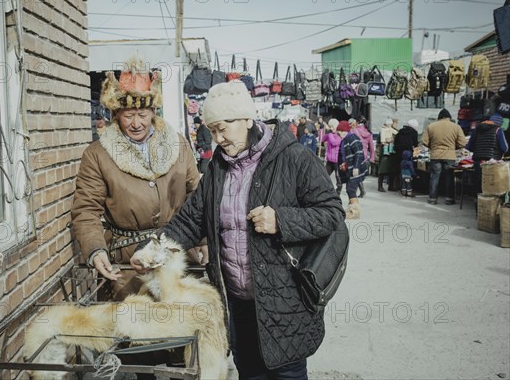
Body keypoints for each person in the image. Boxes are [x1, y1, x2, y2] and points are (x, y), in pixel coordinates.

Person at [132, 80, 345, 380]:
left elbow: (332, 213)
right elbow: (191, 219)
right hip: (237, 303)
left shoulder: (293, 158)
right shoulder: (218, 167)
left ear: (247, 119)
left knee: (287, 374)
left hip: (284, 301)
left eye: (224, 127)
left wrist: (280, 220)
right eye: (212, 130)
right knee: (250, 373)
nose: (218, 138)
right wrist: (153, 249)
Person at [71, 54, 202, 301]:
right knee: (136, 332)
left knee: (182, 328)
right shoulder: (98, 155)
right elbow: (86, 209)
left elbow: (198, 197)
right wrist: (95, 249)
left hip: (177, 255)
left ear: (154, 111)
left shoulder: (178, 145)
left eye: (143, 114)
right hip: (129, 266)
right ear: (116, 114)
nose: (136, 123)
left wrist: (204, 240)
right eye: (128, 115)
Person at [422, 108, 467, 205]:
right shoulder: (456, 127)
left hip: (435, 155)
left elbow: (424, 142)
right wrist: (454, 147)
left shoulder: (431, 126)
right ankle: (449, 199)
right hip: (450, 156)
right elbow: (463, 142)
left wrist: (432, 147)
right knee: (449, 177)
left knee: (434, 177)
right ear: (449, 118)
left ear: (439, 117)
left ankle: (432, 199)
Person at [466, 113, 509, 194]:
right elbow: (505, 148)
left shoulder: (477, 129)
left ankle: (478, 202)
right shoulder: (498, 130)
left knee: (479, 181)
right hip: (492, 161)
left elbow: (468, 147)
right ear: (499, 123)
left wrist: (478, 149)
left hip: (478, 160)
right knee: (491, 182)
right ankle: (489, 203)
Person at [336, 120, 367, 219]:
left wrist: (356, 167)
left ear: (344, 131)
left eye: (339, 132)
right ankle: (351, 209)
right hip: (351, 168)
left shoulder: (353, 138)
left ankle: (355, 212)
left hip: (357, 168)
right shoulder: (344, 140)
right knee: (350, 188)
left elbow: (359, 153)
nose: (338, 134)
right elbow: (346, 156)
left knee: (350, 189)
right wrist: (344, 164)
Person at [350, 117, 374, 198]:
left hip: (356, 154)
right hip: (364, 156)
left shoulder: (354, 131)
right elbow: (371, 148)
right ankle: (360, 191)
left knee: (355, 174)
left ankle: (358, 191)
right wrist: (372, 158)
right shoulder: (369, 133)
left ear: (357, 122)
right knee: (358, 174)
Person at [393, 119, 420, 194]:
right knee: (408, 170)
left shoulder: (400, 131)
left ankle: (400, 186)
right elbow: (415, 144)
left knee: (400, 169)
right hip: (408, 153)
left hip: (399, 152)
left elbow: (395, 142)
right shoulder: (414, 132)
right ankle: (409, 188)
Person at [377, 118, 398, 192]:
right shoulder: (384, 130)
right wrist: (387, 141)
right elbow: (380, 141)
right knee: (383, 169)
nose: (396, 125)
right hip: (385, 152)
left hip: (391, 152)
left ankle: (391, 185)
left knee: (392, 169)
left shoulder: (394, 131)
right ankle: (380, 186)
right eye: (395, 123)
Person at [323, 118, 343, 194]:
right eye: (330, 127)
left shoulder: (339, 135)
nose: (331, 128)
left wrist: (330, 135)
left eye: (332, 126)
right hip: (330, 159)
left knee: (338, 176)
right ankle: (326, 188)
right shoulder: (330, 134)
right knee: (325, 174)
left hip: (336, 160)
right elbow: (323, 139)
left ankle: (339, 189)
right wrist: (326, 132)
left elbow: (334, 143)